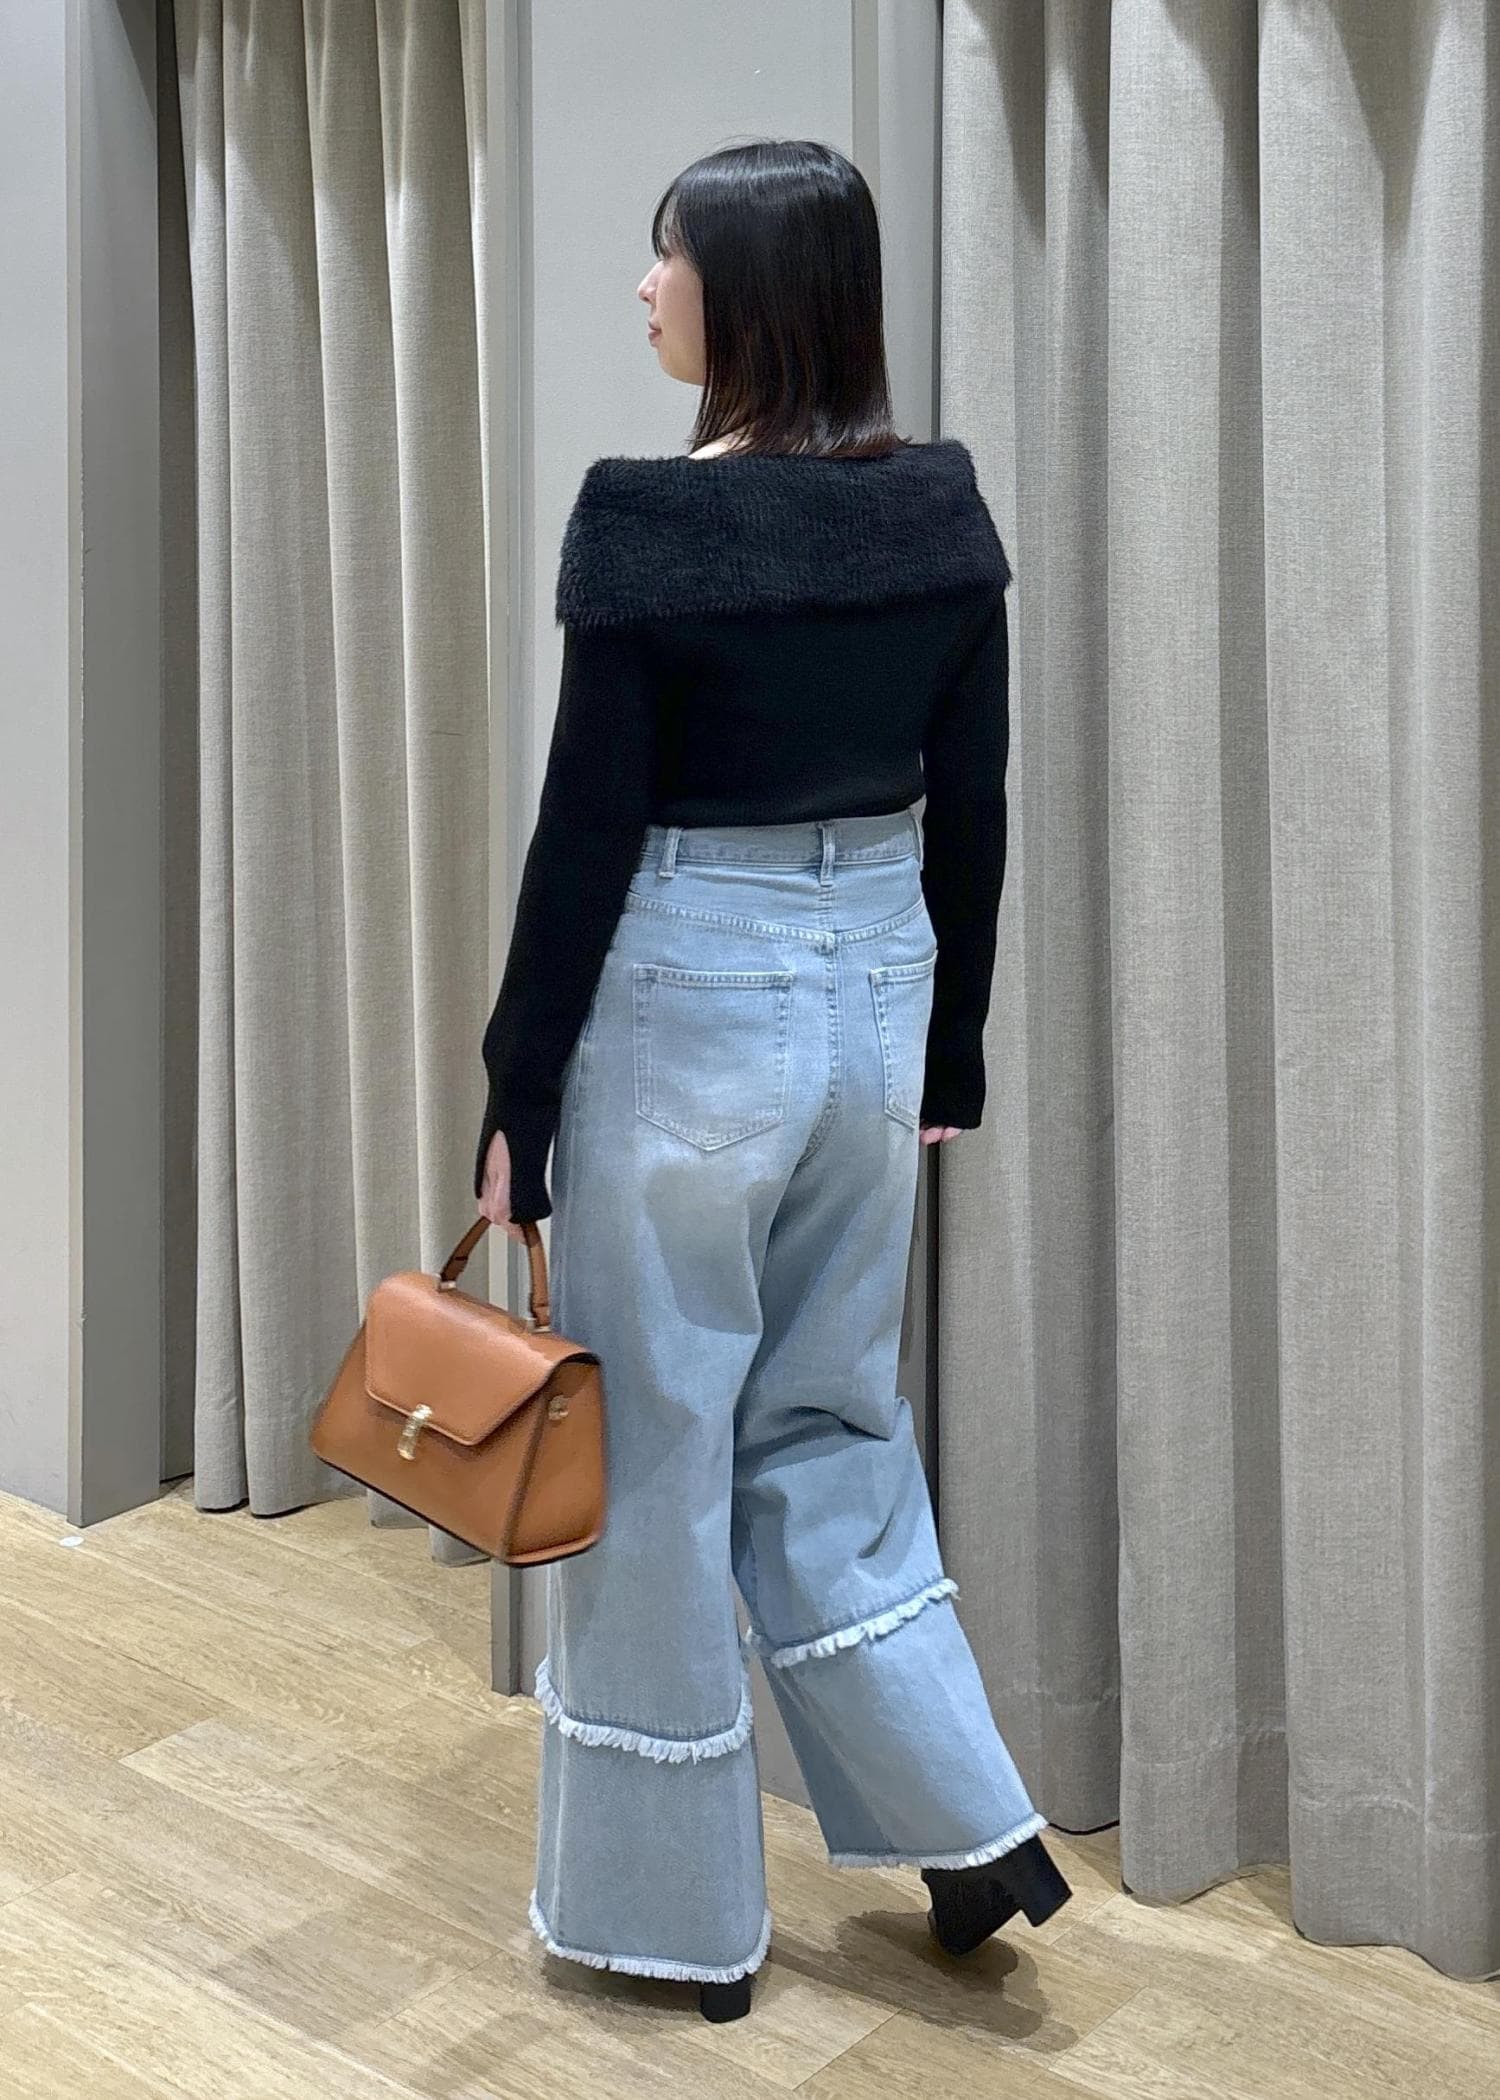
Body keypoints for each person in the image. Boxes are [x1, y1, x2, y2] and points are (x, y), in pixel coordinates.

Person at [474, 137, 1071, 2024]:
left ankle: (674, 1931)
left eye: (665, 258)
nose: (643, 289)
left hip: (688, 1003)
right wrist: (951, 1046)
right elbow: (970, 807)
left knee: (658, 1455)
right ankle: (970, 1829)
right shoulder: (939, 514)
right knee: (830, 1423)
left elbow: (585, 836)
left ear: (740, 292)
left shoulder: (649, 525)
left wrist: (518, 1092)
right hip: (875, 1000)